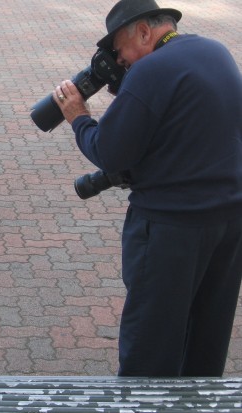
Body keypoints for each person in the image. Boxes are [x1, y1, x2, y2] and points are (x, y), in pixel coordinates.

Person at [53, 0, 242, 377]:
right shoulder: (215, 51)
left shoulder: (151, 71)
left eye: (121, 53)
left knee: (150, 348)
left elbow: (111, 153)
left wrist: (79, 118)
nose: (122, 63)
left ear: (143, 32)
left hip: (171, 228)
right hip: (229, 223)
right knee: (205, 342)